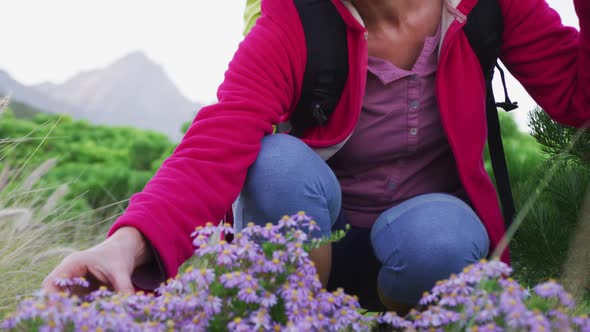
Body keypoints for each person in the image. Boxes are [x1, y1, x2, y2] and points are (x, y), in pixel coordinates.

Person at [44, 0, 589, 312]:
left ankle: (390, 316)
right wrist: (127, 242)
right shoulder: (293, 18)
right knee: (273, 164)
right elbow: (217, 142)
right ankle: (297, 313)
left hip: (422, 234)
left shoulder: (488, 8)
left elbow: (577, 97)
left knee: (441, 240)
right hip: (313, 237)